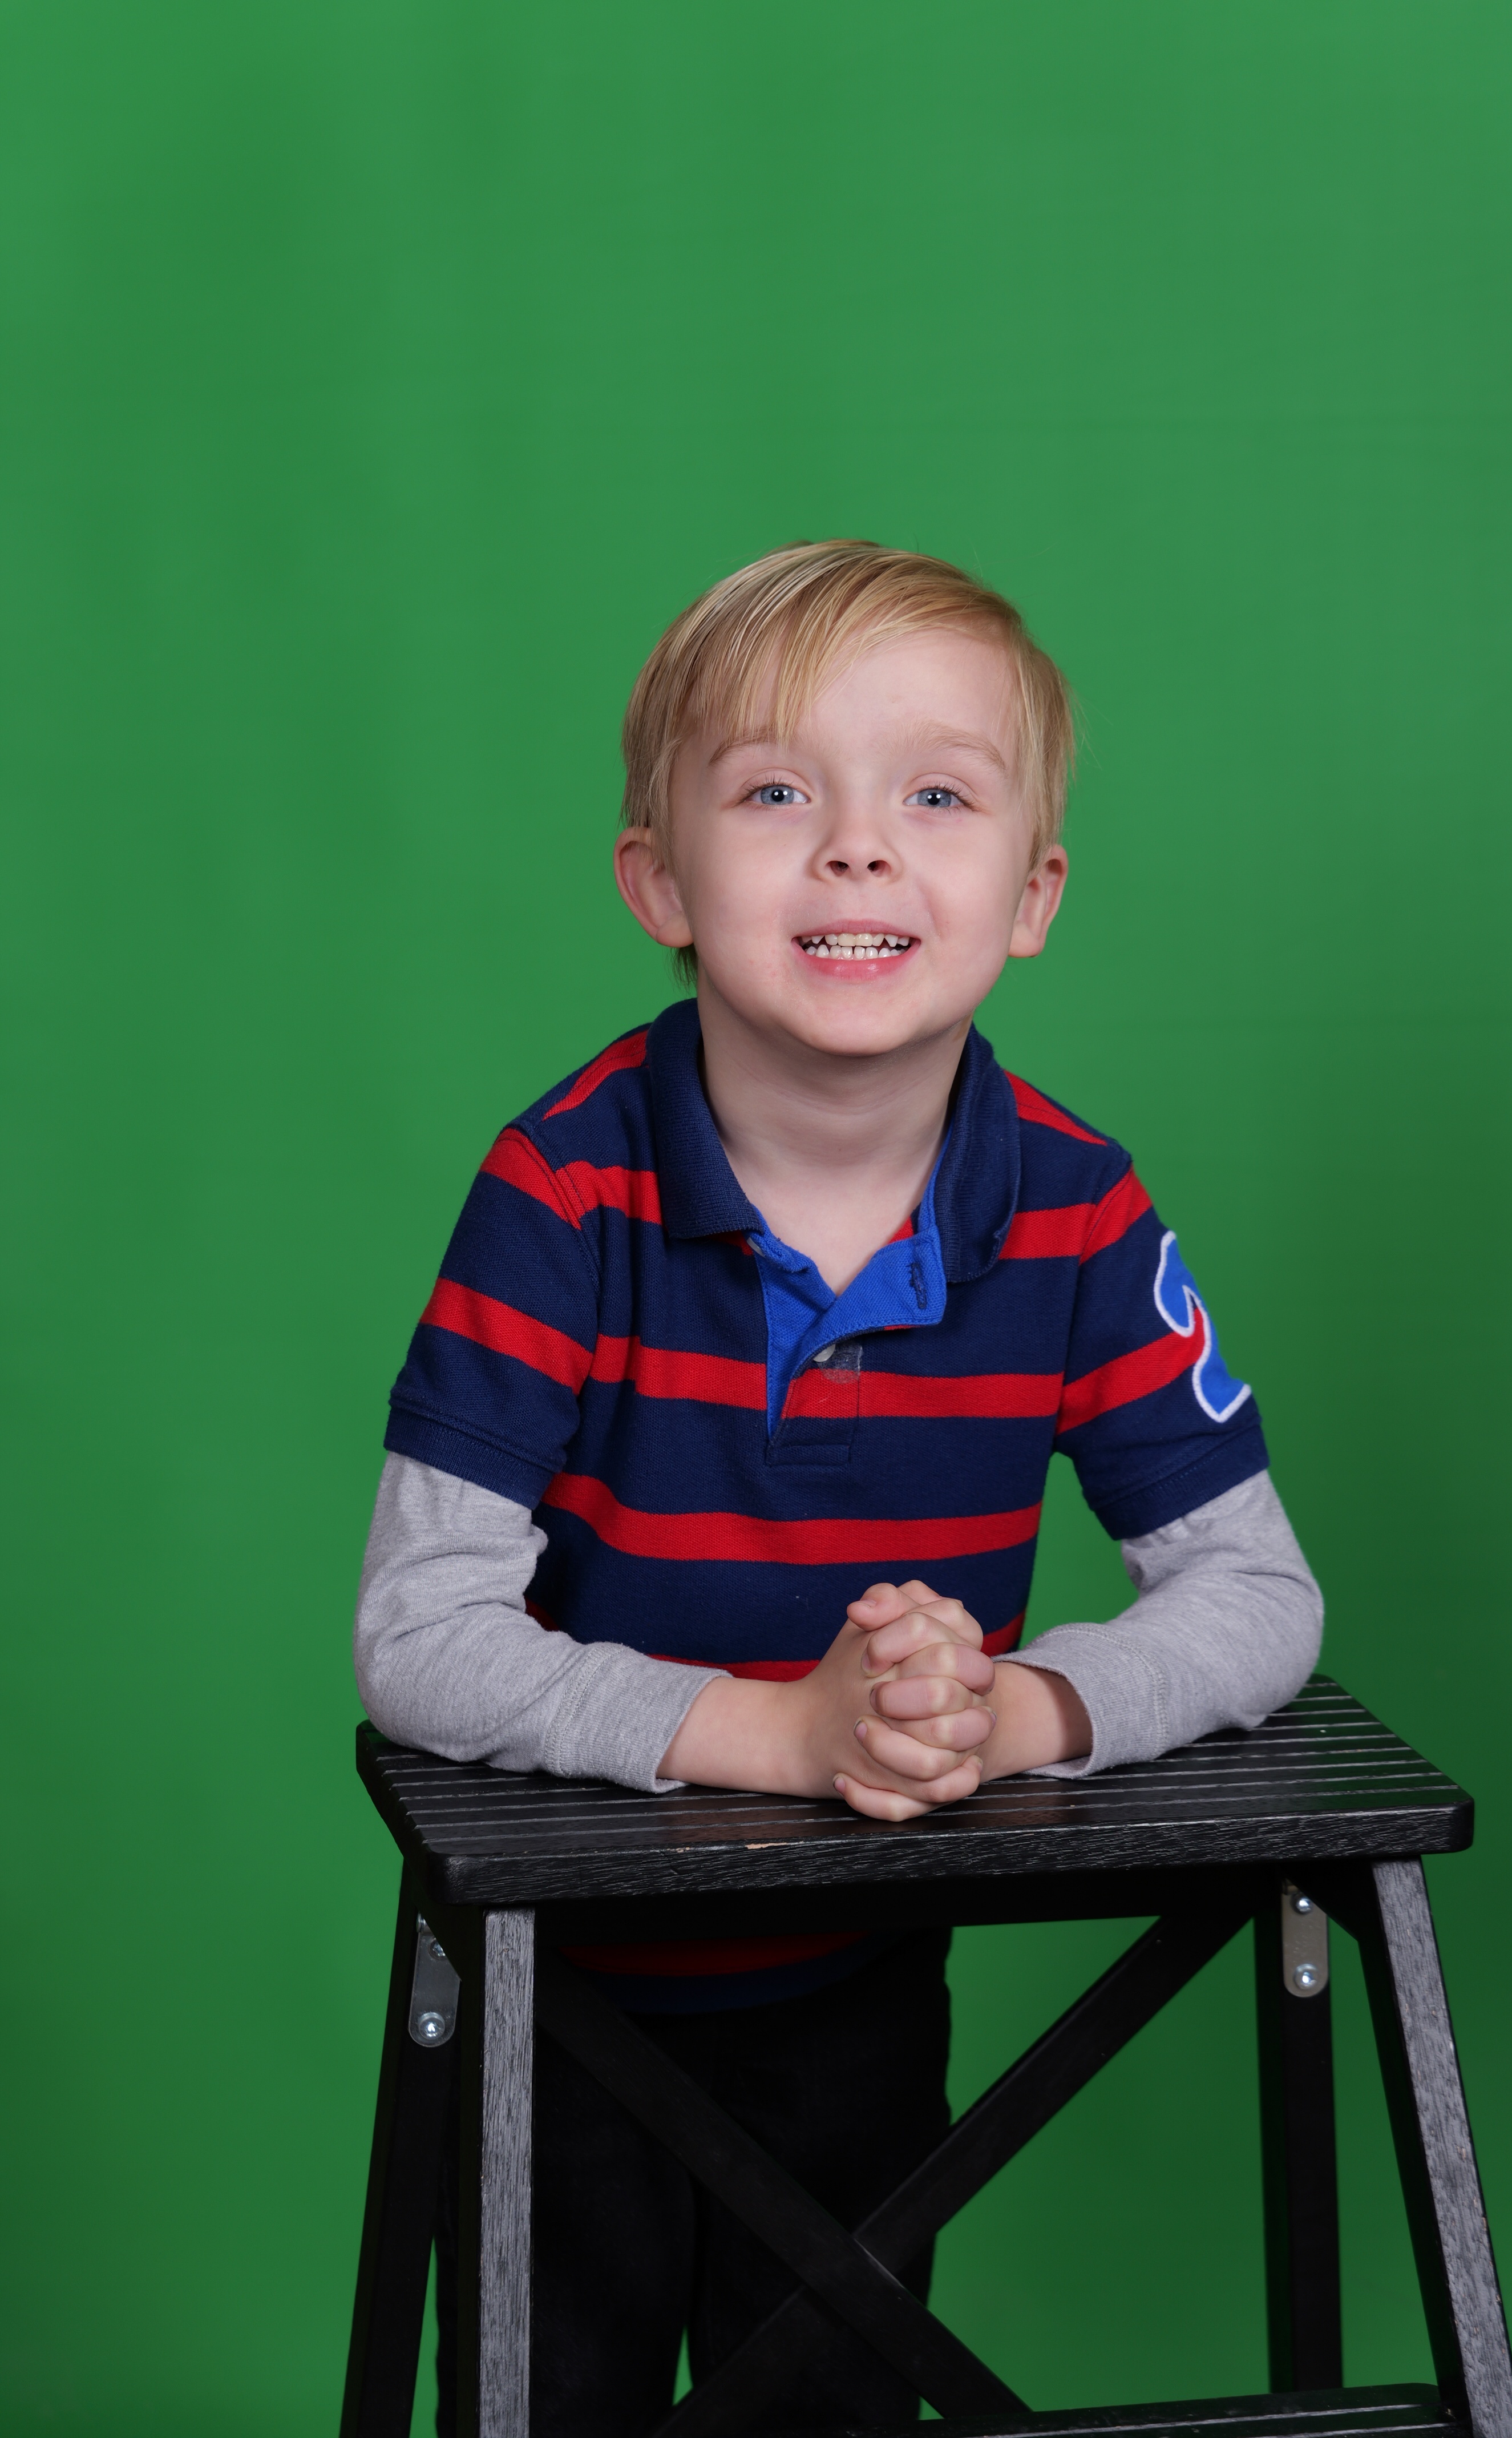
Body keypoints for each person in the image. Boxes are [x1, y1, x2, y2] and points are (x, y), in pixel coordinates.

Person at [355, 540, 1323, 2434]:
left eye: (937, 797)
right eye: (779, 793)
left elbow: (1260, 1592)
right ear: (660, 881)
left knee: (836, 2413)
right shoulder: (563, 1192)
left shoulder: (1080, 1206)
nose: (861, 849)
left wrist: (1019, 1709)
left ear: (1030, 896)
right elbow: (416, 1636)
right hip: (567, 1981)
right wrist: (782, 1735)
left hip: (872, 1968)